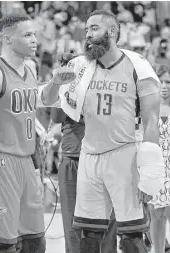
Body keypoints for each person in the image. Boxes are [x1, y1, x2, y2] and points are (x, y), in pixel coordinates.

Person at [40, 9, 164, 253]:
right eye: (86, 29)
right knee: (89, 233)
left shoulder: (138, 66)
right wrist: (56, 81)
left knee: (131, 234)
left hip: (124, 154)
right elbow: (46, 98)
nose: (87, 34)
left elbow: (151, 122)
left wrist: (150, 174)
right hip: (89, 155)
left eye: (94, 28)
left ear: (112, 31)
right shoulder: (79, 66)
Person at [50, 53, 117, 253]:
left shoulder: (109, 84)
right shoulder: (68, 86)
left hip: (103, 157)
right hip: (73, 157)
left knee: (106, 223)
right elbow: (56, 116)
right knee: (72, 223)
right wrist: (62, 83)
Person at [0, 15, 46, 253]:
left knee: (35, 241)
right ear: (6, 38)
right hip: (2, 161)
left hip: (28, 160)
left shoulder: (30, 69)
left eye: (34, 34)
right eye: (27, 35)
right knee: (6, 242)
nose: (34, 40)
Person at [149, 64, 170, 253]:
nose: (164, 86)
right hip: (154, 166)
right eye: (161, 81)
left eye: (168, 82)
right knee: (157, 214)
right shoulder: (149, 109)